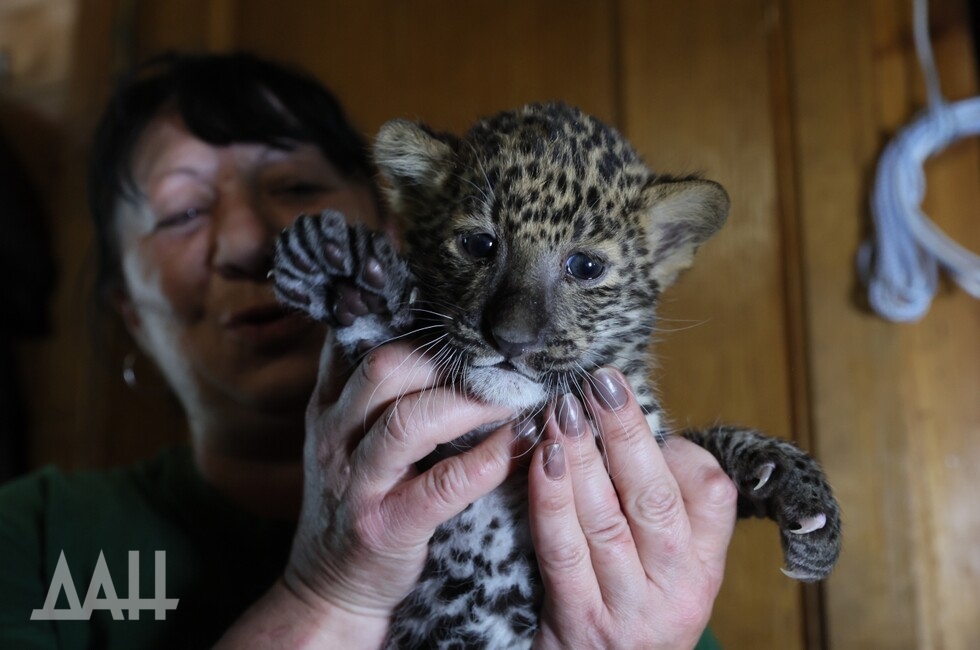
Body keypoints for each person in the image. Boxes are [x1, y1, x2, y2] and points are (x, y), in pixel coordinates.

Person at [0, 52, 736, 649]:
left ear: (397, 227)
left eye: (294, 184)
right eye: (184, 211)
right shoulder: (41, 540)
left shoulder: (612, 528)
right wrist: (326, 592)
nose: (251, 242)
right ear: (127, 309)